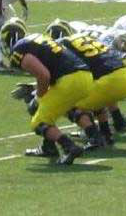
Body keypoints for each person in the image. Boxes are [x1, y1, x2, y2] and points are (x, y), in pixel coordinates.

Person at [5, 27, 91, 165]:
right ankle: (49, 147)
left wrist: (38, 98)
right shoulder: (37, 39)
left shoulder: (19, 50)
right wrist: (36, 90)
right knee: (49, 110)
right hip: (84, 77)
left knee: (39, 121)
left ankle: (69, 147)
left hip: (69, 80)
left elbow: (44, 76)